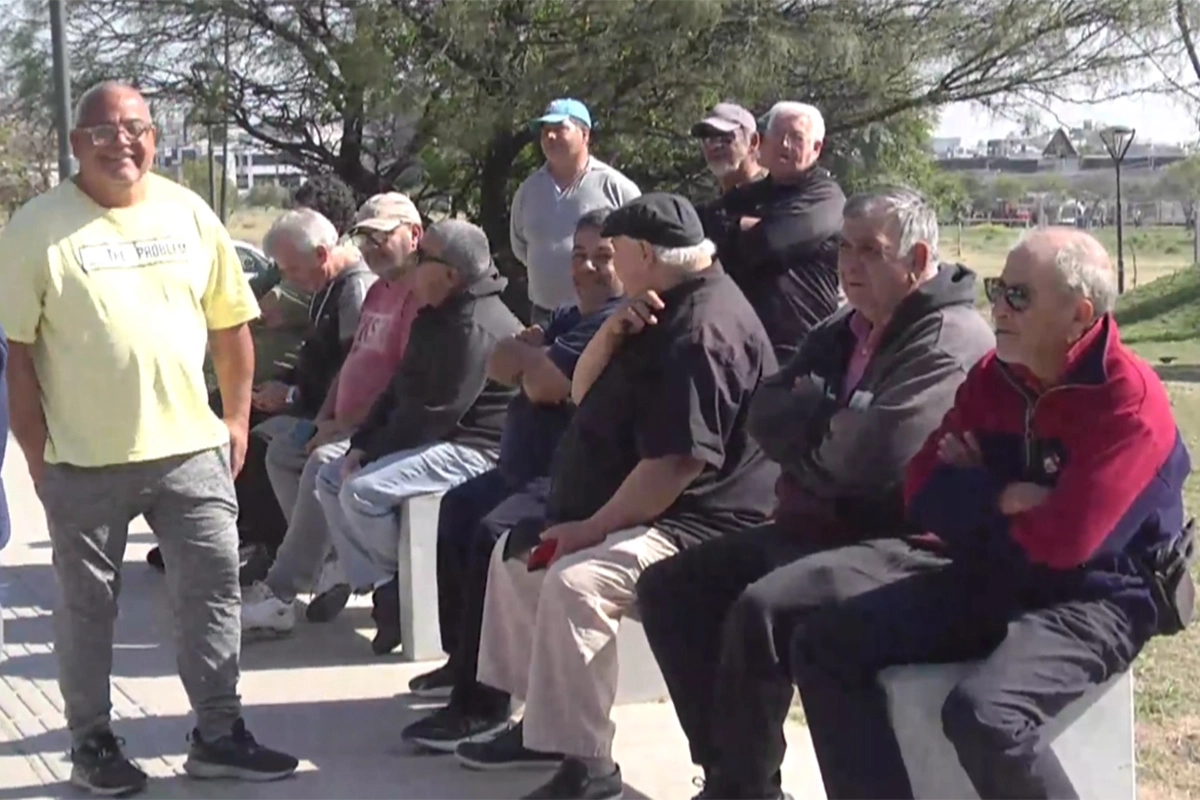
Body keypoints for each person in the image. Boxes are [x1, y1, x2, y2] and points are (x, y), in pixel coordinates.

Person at [790, 227, 1191, 799]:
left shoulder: (1128, 401)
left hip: (1101, 598)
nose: (998, 307)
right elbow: (922, 490)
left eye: (1018, 296)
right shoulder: (993, 376)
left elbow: (1066, 544)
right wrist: (1008, 496)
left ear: (1078, 315)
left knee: (985, 715)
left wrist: (979, 491)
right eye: (998, 288)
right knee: (823, 643)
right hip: (996, 572)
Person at [634, 187, 996, 800]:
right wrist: (830, 430)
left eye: (869, 250)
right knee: (670, 590)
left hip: (906, 537)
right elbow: (767, 411)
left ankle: (741, 789)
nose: (849, 264)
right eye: (843, 247)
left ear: (917, 258)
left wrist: (812, 441)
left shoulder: (949, 340)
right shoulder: (844, 326)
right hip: (824, 522)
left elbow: (875, 458)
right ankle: (734, 778)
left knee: (764, 611)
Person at [0, 80, 296, 796]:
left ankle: (219, 735)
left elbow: (231, 326)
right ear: (78, 144)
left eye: (135, 128)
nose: (121, 144)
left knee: (213, 596)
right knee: (85, 611)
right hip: (84, 461)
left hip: (190, 451)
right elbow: (20, 357)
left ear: (155, 138)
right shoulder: (36, 227)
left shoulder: (190, 213)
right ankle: (92, 744)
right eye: (104, 132)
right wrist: (37, 457)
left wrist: (234, 420)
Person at [474, 194, 779, 799]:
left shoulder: (703, 329)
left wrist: (592, 529)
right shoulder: (656, 306)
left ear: (644, 253)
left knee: (575, 582)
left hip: (701, 523)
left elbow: (676, 465)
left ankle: (588, 766)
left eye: (614, 253)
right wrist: (611, 333)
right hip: (649, 510)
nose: (607, 266)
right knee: (517, 558)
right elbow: (581, 392)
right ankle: (545, 730)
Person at [398, 209, 624, 752]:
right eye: (579, 255)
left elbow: (545, 384)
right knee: (457, 509)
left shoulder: (612, 322)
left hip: (564, 481)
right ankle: (463, 662)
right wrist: (530, 357)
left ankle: (485, 704)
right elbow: (500, 364)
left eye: (603, 256)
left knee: (492, 535)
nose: (587, 267)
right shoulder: (570, 315)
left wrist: (533, 356)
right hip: (518, 470)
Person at [317, 219, 523, 655]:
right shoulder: (436, 314)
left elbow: (438, 413)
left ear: (451, 274)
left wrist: (373, 454)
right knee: (330, 478)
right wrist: (362, 444)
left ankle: (405, 588)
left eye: (422, 256)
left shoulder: (476, 325)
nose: (412, 263)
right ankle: (390, 584)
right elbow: (398, 390)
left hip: (476, 446)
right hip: (438, 438)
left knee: (361, 492)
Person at [241, 193, 423, 635]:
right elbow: (352, 366)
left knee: (322, 463)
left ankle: (282, 591)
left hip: (383, 428)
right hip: (342, 420)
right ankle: (330, 561)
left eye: (382, 237)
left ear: (415, 235)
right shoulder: (377, 291)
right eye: (365, 238)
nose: (371, 248)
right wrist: (322, 419)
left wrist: (341, 426)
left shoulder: (406, 295)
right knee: (284, 451)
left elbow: (400, 383)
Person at [717, 101, 845, 361]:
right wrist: (740, 228)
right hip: (745, 348)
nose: (785, 144)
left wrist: (741, 231)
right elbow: (706, 227)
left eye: (796, 137)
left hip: (804, 354)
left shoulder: (825, 197)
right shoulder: (747, 195)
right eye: (778, 135)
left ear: (816, 148)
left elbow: (769, 242)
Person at [510, 97, 641, 323]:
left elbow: (641, 249)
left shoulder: (616, 187)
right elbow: (521, 248)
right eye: (545, 131)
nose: (550, 137)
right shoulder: (528, 191)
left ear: (585, 135)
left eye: (559, 129)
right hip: (543, 316)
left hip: (602, 316)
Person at [691, 102, 766, 250]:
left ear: (753, 142)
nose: (714, 146)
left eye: (725, 138)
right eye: (707, 138)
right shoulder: (713, 208)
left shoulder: (774, 198)